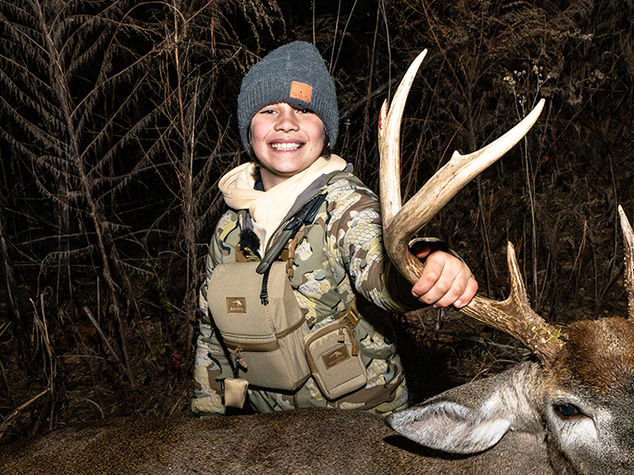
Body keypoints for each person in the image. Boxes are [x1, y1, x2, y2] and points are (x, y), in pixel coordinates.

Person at [191, 41, 478, 415]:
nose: (287, 122)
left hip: (360, 431)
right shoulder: (229, 228)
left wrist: (429, 262)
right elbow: (213, 338)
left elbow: (382, 271)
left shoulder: (345, 206)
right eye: (269, 109)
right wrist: (213, 423)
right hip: (269, 432)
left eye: (305, 110)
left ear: (326, 133)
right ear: (249, 131)